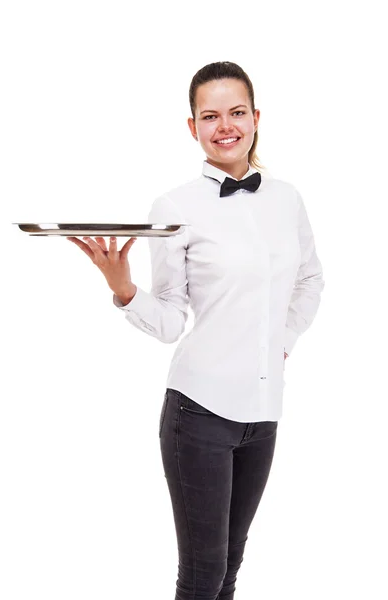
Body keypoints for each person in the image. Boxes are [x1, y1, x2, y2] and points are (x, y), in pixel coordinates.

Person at [67, 61, 325, 600]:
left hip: (264, 415)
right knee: (202, 575)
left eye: (236, 113)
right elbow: (167, 320)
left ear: (256, 118)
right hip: (198, 414)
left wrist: (282, 341)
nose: (224, 125)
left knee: (231, 567)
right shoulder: (175, 206)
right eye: (210, 116)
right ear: (193, 127)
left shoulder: (287, 199)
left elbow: (310, 279)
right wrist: (124, 288)